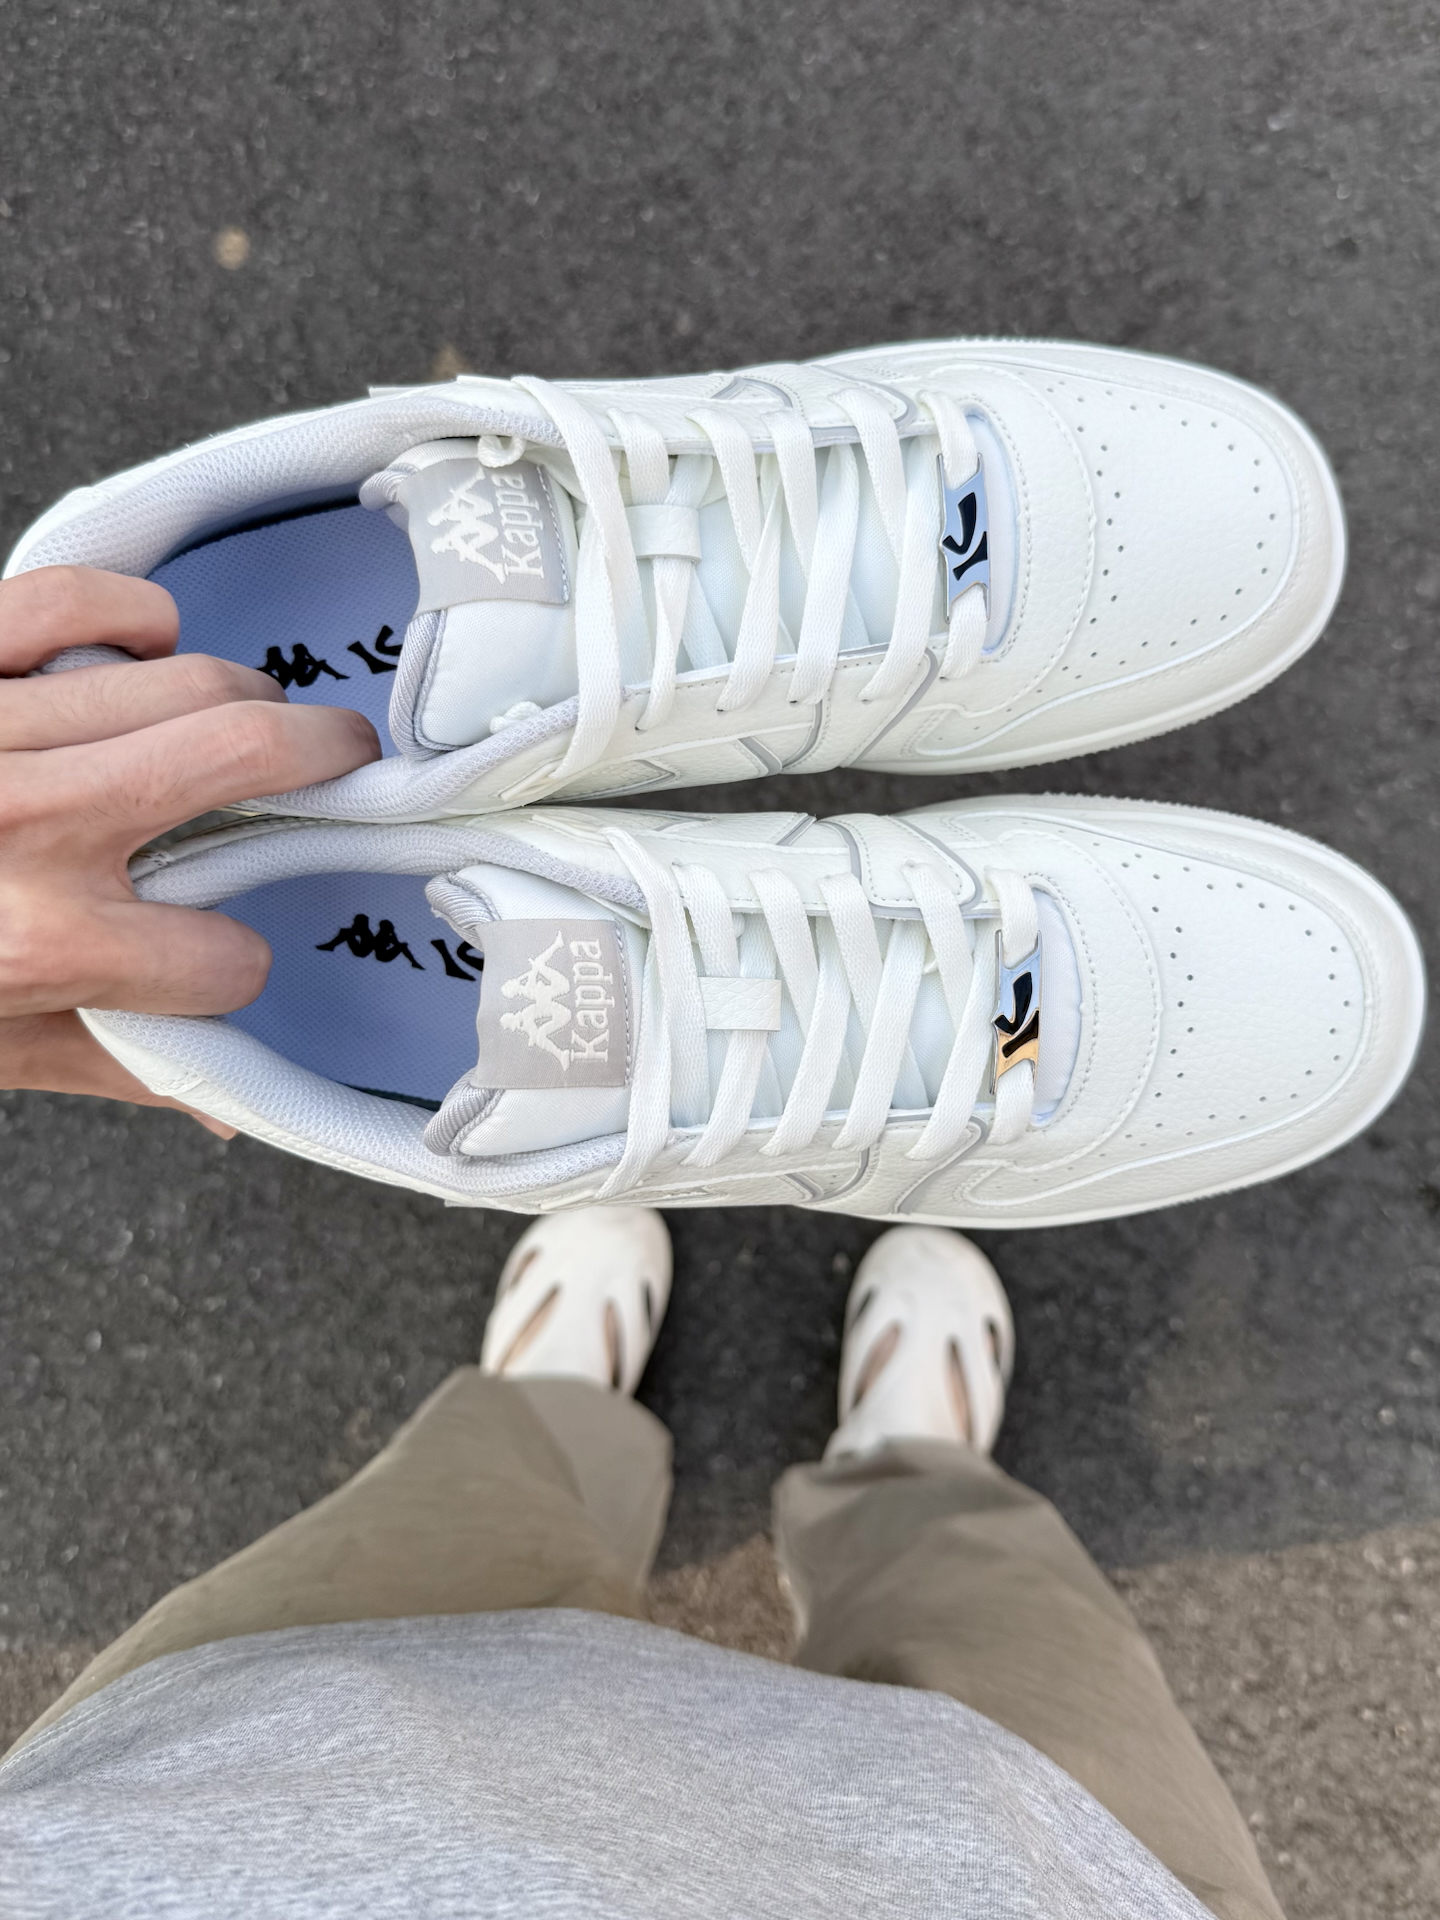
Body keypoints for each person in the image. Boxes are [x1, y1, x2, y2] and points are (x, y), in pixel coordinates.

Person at [1, 1207, 1283, 1920]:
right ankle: (909, 1477)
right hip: (1049, 1880)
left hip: (215, 1811)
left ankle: (560, 1422)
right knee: (995, 1623)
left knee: (456, 1521)